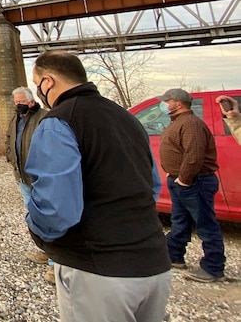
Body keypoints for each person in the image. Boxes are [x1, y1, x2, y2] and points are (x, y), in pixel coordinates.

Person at [25, 51, 171, 322]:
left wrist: (35, 228)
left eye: (37, 83)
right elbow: (151, 186)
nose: (38, 91)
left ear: (48, 81)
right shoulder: (127, 118)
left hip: (97, 271)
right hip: (154, 264)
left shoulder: (58, 121)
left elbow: (57, 209)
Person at [159, 88, 226, 283]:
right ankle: (174, 255)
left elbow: (194, 154)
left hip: (194, 181)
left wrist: (184, 179)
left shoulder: (191, 124)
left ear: (178, 104)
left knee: (205, 224)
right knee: (180, 220)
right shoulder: (179, 122)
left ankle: (213, 268)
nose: (164, 105)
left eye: (167, 101)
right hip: (182, 181)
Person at [4, 86, 52, 281]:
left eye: (21, 102)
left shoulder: (44, 118)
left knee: (49, 217)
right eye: (16, 103)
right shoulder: (16, 119)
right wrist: (10, 158)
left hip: (41, 178)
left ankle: (55, 263)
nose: (18, 106)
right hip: (22, 176)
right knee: (34, 217)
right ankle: (44, 251)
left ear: (31, 102)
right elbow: (9, 140)